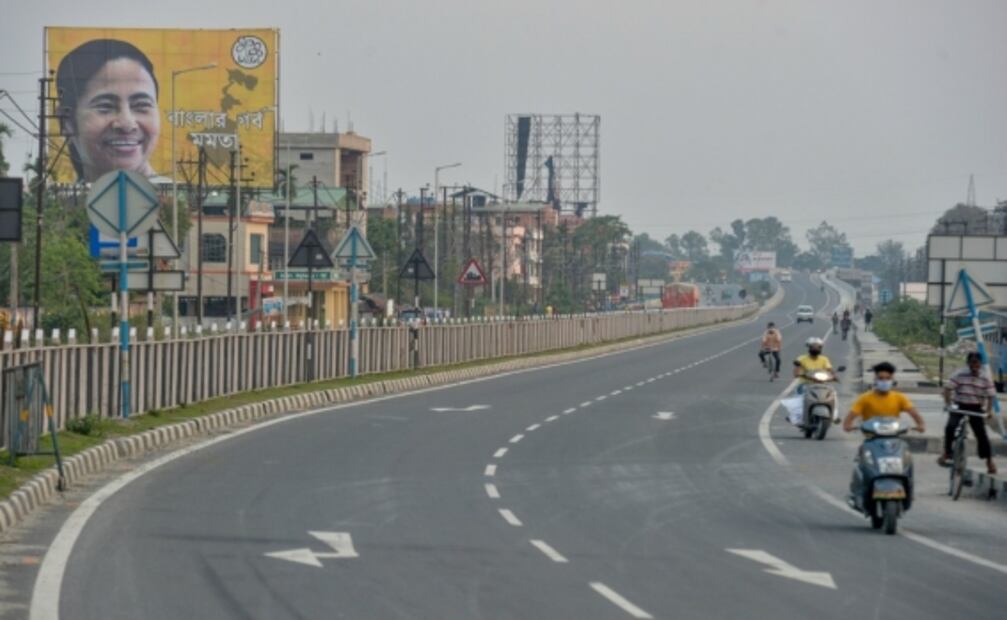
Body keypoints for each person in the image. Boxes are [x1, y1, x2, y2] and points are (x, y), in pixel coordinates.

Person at [56, 39, 161, 183]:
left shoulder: (175, 203)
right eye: (106, 107)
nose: (127, 124)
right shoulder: (62, 203)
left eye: (141, 106)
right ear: (66, 121)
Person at [940, 352, 997, 474]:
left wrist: (988, 410)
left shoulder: (985, 377)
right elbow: (948, 388)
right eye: (972, 363)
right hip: (960, 405)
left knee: (982, 435)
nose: (974, 366)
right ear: (968, 363)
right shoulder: (960, 374)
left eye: (977, 364)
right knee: (950, 427)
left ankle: (989, 461)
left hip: (975, 407)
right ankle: (947, 452)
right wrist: (948, 404)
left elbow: (991, 395)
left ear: (980, 364)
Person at [843, 361, 926, 432]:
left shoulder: (899, 398)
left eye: (888, 378)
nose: (884, 381)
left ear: (892, 379)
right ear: (875, 379)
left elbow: (914, 413)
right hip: (871, 436)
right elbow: (852, 414)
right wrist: (847, 425)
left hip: (893, 435)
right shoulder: (865, 398)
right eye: (881, 378)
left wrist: (920, 424)